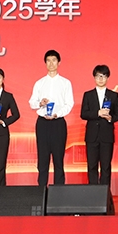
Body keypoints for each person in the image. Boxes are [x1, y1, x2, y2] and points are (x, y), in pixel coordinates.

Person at [28, 50, 75, 187]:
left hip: (58, 123)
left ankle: (59, 191)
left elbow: (69, 104)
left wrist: (57, 114)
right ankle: (42, 189)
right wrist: (40, 103)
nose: (51, 63)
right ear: (45, 63)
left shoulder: (65, 83)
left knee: (58, 158)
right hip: (42, 123)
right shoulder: (39, 83)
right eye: (48, 61)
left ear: (59, 63)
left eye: (54, 60)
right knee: (43, 158)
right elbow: (32, 102)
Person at [79, 65, 118, 188]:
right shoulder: (88, 95)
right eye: (98, 76)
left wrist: (110, 118)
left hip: (106, 135)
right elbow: (83, 114)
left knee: (106, 166)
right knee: (92, 166)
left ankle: (104, 194)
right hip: (92, 136)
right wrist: (97, 113)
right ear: (94, 77)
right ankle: (93, 193)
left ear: (108, 78)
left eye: (104, 76)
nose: (101, 79)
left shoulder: (113, 95)